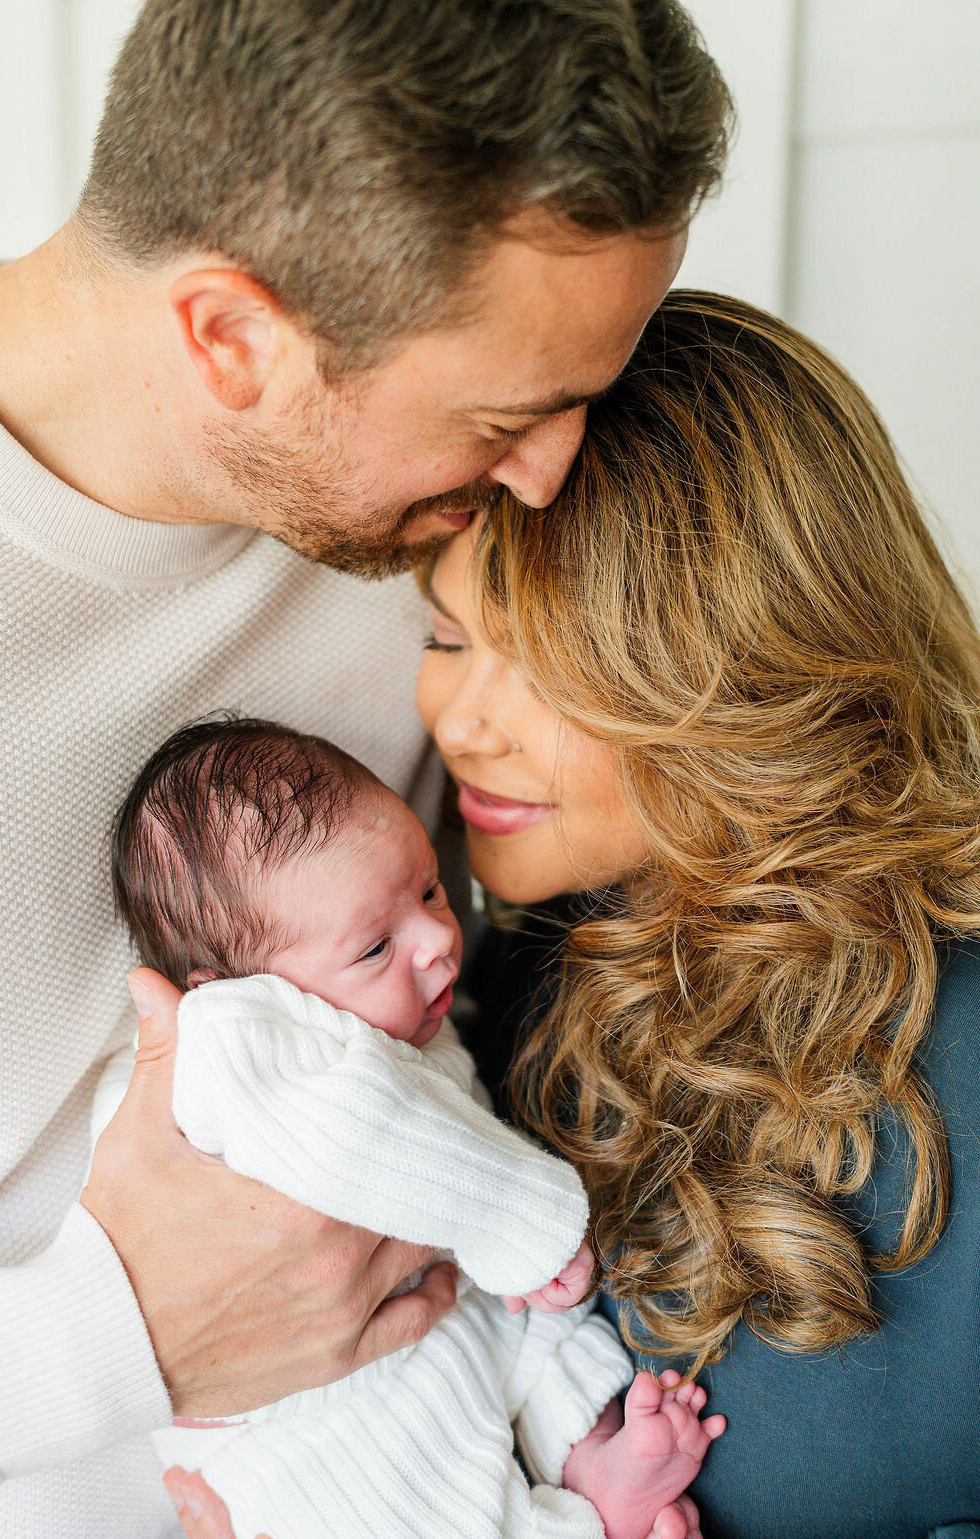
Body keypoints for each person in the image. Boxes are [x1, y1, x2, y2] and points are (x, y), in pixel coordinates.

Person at [0, 2, 731, 1533]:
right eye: (510, 417)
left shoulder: (427, 531)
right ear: (232, 337)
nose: (550, 476)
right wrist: (103, 1338)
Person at [416, 291, 980, 1539]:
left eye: (552, 667)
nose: (461, 721)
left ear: (741, 669)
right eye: (446, 637)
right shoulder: (519, 968)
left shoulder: (955, 1031)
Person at [93, 714, 723, 1539]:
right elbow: (358, 1130)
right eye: (373, 947)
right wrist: (519, 1219)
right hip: (302, 1409)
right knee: (414, 1495)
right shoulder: (224, 1042)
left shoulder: (396, 1017)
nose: (434, 938)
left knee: (542, 1335)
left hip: (429, 1308)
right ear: (231, 986)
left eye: (428, 889)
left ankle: (590, 1462)